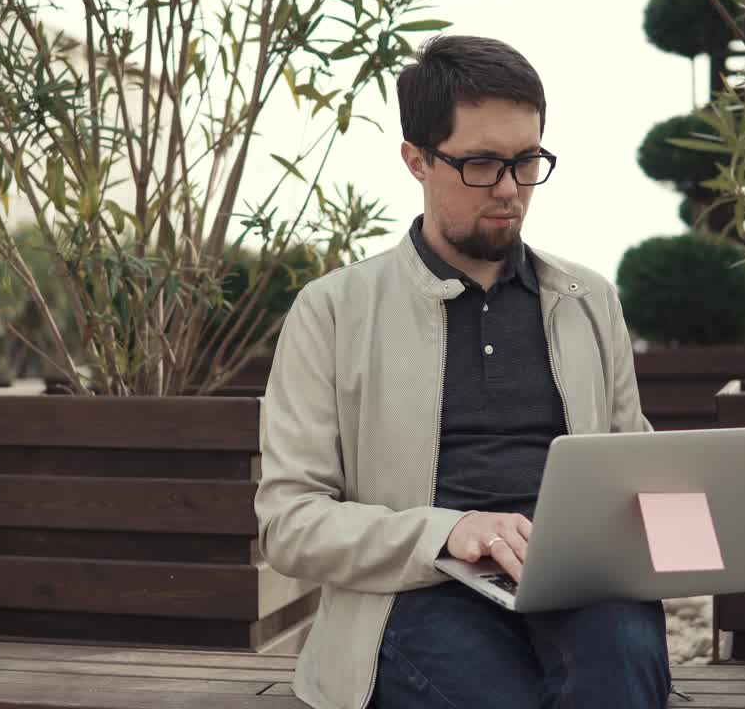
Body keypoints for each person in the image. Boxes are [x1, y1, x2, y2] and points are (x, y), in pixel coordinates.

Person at [255, 35, 671, 709]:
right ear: (416, 160)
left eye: (527, 161)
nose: (510, 189)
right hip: (417, 591)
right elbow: (290, 523)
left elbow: (636, 469)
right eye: (481, 163)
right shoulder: (332, 311)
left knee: (620, 666)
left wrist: (682, 523)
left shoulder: (588, 301)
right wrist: (446, 531)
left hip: (579, 585)